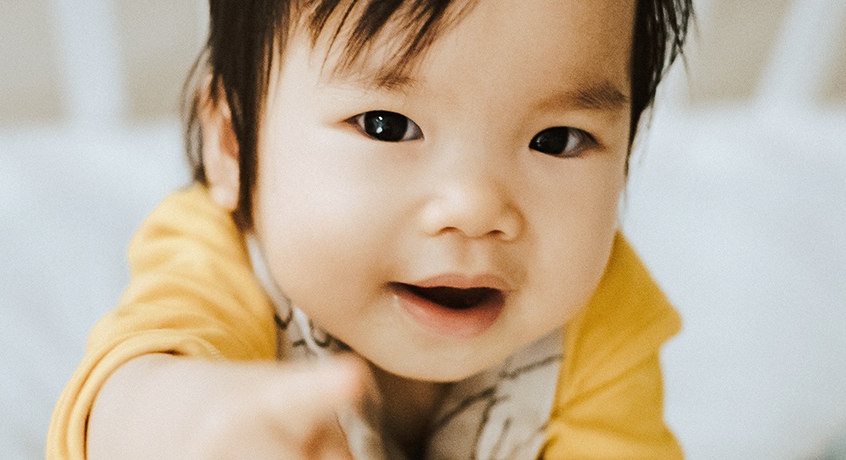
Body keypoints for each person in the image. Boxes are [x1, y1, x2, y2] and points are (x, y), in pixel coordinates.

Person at [50, 0, 691, 457]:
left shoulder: (601, 319)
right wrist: (192, 426)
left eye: (557, 140)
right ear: (232, 146)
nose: (473, 208)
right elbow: (129, 397)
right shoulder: (221, 258)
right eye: (386, 124)